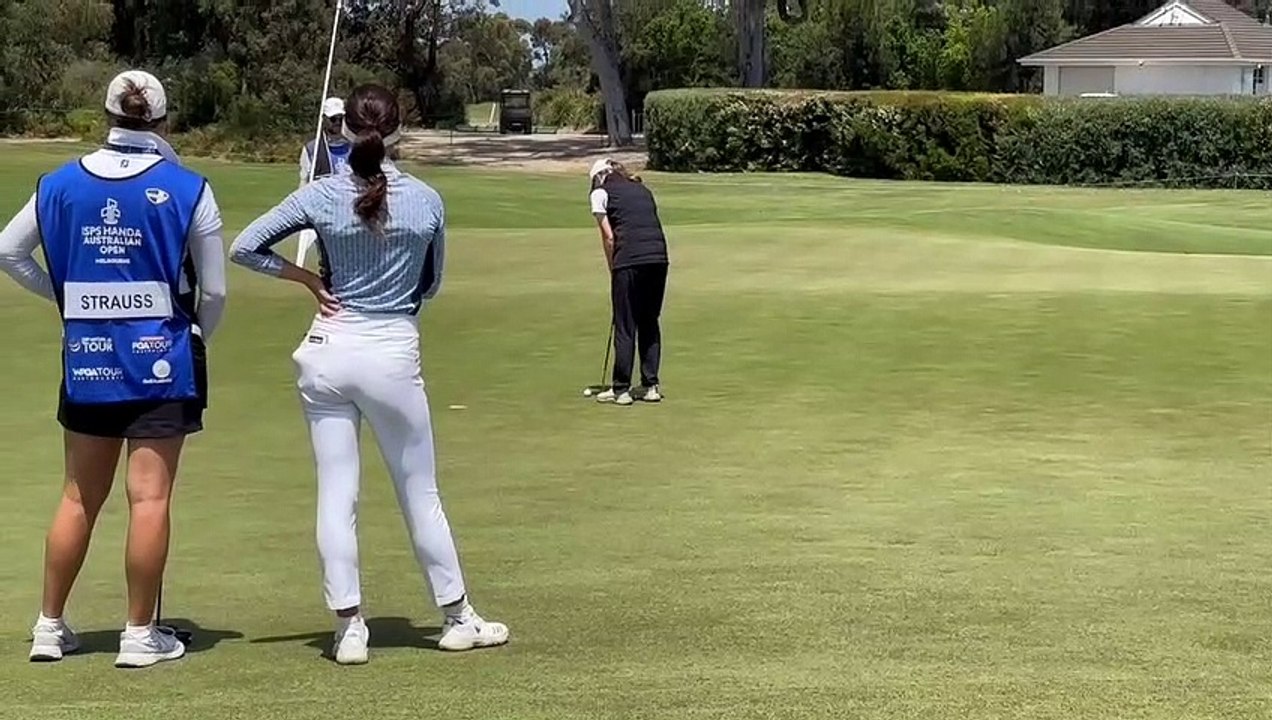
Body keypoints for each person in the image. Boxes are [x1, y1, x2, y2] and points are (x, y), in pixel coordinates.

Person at [229, 83, 508, 666]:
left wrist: (310, 282)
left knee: (337, 493)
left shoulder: (322, 192)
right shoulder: (427, 200)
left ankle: (350, 628)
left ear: (348, 130)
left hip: (328, 349)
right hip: (389, 349)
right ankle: (457, 617)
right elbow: (429, 285)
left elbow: (246, 246)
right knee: (419, 492)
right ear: (398, 131)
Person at [0, 70, 227, 668]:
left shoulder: (57, 183)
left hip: (87, 361)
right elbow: (217, 294)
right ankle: (137, 635)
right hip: (163, 362)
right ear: (163, 119)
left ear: (106, 115)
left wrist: (68, 297)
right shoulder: (189, 187)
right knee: (148, 499)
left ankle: (50, 628)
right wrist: (196, 331)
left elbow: (7, 250)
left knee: (78, 497)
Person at [588, 158, 671, 406]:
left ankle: (621, 389)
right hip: (658, 258)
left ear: (598, 177)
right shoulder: (642, 188)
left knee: (625, 323)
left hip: (629, 260)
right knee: (649, 320)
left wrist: (613, 267)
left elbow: (609, 238)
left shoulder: (600, 193)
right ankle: (651, 386)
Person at [296, 97, 351, 264]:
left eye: (341, 119)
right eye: (333, 119)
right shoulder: (312, 149)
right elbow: (303, 183)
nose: (337, 123)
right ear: (324, 120)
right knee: (328, 261)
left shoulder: (356, 146)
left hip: (351, 212)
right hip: (324, 213)